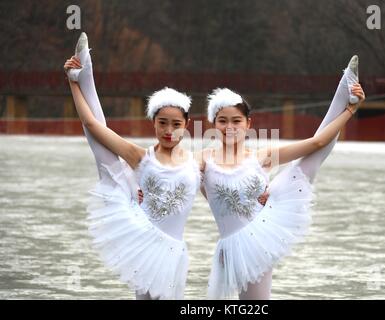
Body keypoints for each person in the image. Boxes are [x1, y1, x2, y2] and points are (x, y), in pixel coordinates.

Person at [201, 56, 365, 299]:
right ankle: (344, 91)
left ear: (248, 124)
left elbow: (317, 142)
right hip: (230, 245)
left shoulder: (262, 157)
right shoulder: (204, 159)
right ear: (214, 124)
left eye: (236, 120)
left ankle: (344, 90)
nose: (230, 126)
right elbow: (171, 175)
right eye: (222, 121)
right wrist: (138, 191)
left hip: (261, 237)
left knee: (309, 160)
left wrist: (350, 110)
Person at [64, 32, 200, 299]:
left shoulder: (197, 163)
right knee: (101, 150)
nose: (169, 131)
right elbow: (94, 127)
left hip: (174, 252)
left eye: (176, 124)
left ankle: (86, 75)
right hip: (144, 243)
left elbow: (227, 182)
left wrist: (262, 194)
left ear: (186, 125)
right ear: (154, 123)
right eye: (163, 123)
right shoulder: (140, 156)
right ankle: (85, 75)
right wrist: (72, 85)